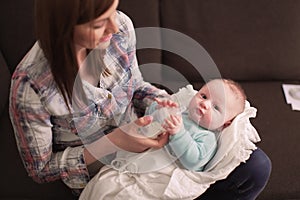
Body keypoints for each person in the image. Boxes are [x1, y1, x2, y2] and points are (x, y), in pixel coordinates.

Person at [9, 0, 271, 199]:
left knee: (256, 167)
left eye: (114, 9)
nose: (115, 24)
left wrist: (166, 103)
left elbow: (135, 87)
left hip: (150, 137)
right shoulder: (31, 87)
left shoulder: (119, 29)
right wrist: (114, 141)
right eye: (100, 23)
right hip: (101, 166)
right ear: (65, 28)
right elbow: (41, 169)